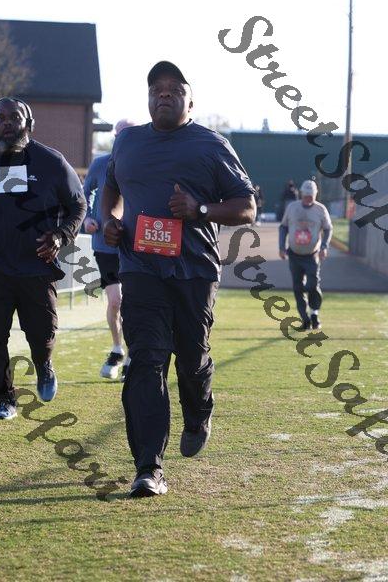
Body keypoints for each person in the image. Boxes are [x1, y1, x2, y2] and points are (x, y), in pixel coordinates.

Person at [102, 61, 256, 498]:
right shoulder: (128, 141)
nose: (164, 94)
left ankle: (198, 411)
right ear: (149, 99)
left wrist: (200, 209)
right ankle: (148, 467)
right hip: (141, 269)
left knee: (190, 357)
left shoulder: (211, 145)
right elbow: (111, 187)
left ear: (191, 100)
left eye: (174, 88)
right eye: (156, 89)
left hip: (194, 272)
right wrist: (109, 219)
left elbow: (246, 206)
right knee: (145, 361)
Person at [0, 97, 86, 420]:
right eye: (0, 117)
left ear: (29, 123)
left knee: (42, 335)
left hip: (36, 267)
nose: (7, 122)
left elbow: (78, 205)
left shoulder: (51, 162)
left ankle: (44, 365)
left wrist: (61, 236)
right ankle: (6, 400)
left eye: (14, 117)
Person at [83, 119, 135, 381]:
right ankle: (117, 349)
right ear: (115, 137)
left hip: (135, 245)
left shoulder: (143, 164)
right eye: (120, 136)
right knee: (116, 300)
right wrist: (87, 220)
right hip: (105, 244)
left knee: (133, 303)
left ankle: (132, 356)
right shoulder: (100, 164)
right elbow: (83, 195)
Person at [279, 179, 332, 331]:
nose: (308, 198)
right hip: (294, 254)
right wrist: (281, 247)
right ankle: (305, 319)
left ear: (315, 194)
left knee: (312, 285)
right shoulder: (292, 207)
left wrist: (324, 246)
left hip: (312, 255)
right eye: (306, 195)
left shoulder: (320, 209)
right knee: (298, 287)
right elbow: (283, 227)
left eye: (311, 196)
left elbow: (328, 228)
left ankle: (314, 313)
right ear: (301, 194)